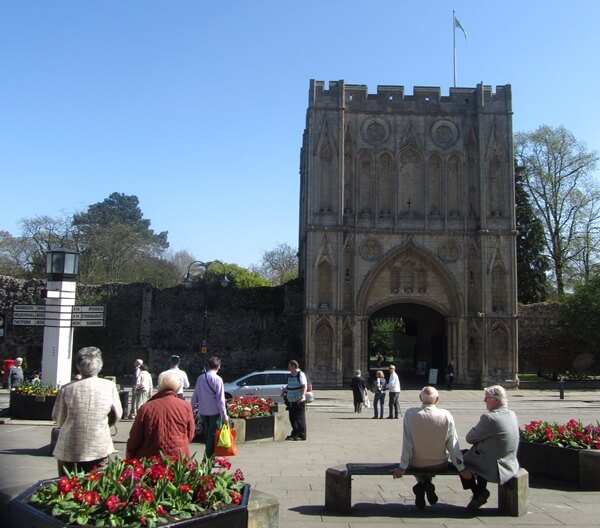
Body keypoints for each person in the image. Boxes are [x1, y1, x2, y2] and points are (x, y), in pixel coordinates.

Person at [392, 386, 471, 509]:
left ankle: (422, 483)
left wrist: (402, 467)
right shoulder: (446, 415)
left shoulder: (410, 414)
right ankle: (426, 483)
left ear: (420, 398)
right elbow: (453, 445)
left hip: (416, 463)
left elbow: (407, 444)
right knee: (431, 460)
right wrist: (461, 468)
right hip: (439, 463)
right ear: (437, 399)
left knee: (419, 462)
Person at [52, 347, 122, 476]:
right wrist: (104, 424)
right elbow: (117, 414)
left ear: (78, 366)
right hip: (98, 444)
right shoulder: (109, 386)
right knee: (96, 488)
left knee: (68, 486)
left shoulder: (67, 389)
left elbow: (59, 418)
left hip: (70, 445)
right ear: (100, 365)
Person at [461, 385, 520, 511]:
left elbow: (470, 438)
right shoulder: (512, 414)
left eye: (487, 398)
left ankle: (478, 492)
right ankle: (480, 492)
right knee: (477, 452)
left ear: (496, 400)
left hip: (494, 467)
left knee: (458, 460)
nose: (484, 401)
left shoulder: (489, 418)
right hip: (509, 463)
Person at [126, 370, 196, 460]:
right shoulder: (186, 406)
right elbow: (190, 434)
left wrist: (130, 453)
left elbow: (135, 437)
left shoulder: (146, 408)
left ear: (159, 387)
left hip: (151, 458)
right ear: (178, 388)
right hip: (179, 458)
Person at [190, 356, 229, 458]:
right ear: (218, 366)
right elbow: (220, 399)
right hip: (214, 412)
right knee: (212, 436)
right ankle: (207, 459)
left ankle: (209, 458)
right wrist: (224, 414)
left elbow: (195, 395)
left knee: (207, 434)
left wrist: (191, 409)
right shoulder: (218, 379)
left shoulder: (200, 378)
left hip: (203, 411)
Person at [282, 359, 307, 441]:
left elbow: (304, 386)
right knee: (292, 418)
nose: (288, 367)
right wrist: (284, 390)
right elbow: (290, 386)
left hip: (298, 400)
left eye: (289, 366)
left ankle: (302, 434)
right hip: (291, 400)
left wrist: (302, 396)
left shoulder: (300, 374)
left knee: (299, 418)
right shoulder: (291, 375)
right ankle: (295, 433)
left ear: (293, 366)